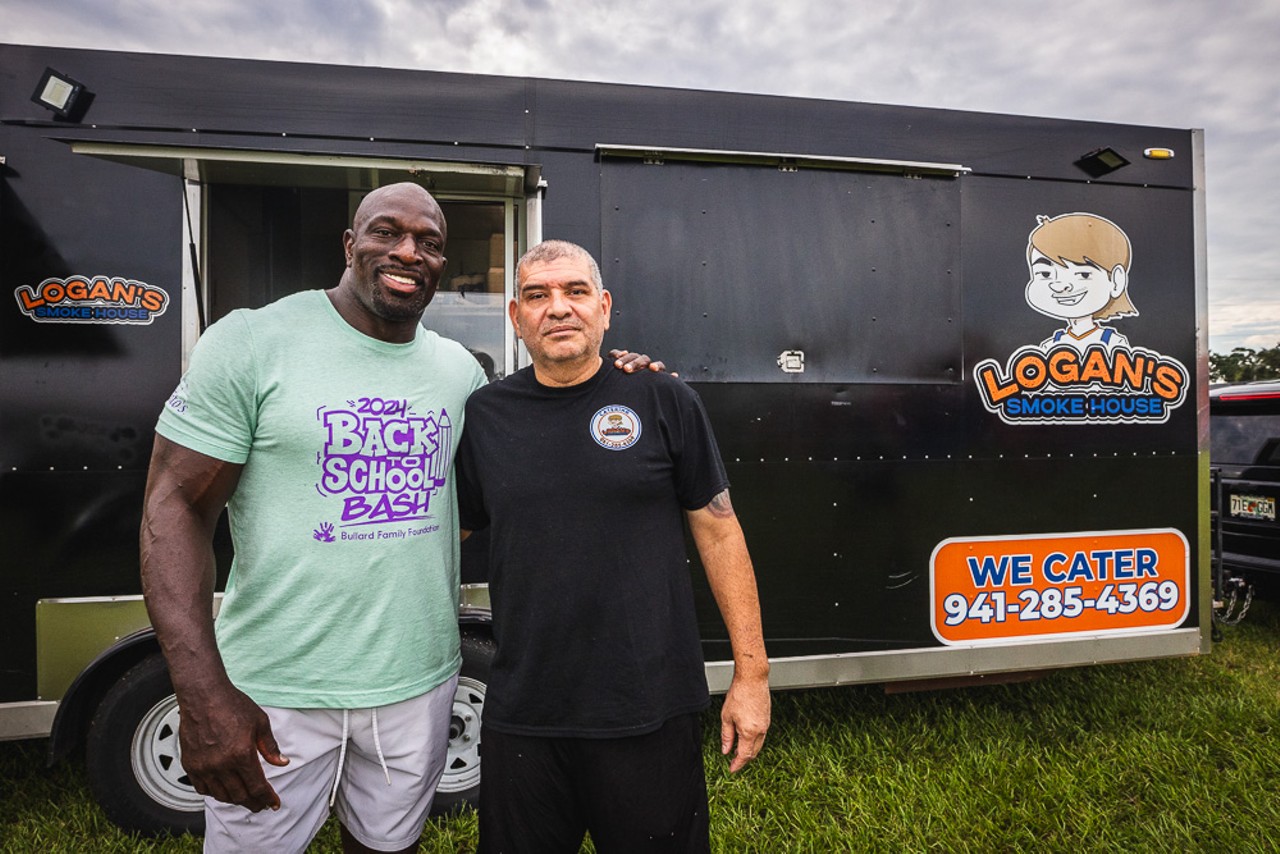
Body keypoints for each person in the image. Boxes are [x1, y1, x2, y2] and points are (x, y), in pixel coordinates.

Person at [140, 185, 655, 853]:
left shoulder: (459, 374)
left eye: (431, 242)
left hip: (419, 681)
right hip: (276, 688)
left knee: (389, 848)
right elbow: (173, 506)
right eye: (387, 232)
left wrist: (620, 379)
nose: (409, 251)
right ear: (351, 245)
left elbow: (535, 457)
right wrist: (202, 696)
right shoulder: (252, 341)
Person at [456, 240, 771, 853]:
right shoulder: (486, 415)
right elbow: (449, 534)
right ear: (518, 319)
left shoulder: (662, 399)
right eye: (538, 296)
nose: (559, 308)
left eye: (575, 292)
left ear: (603, 308)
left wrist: (751, 676)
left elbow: (719, 529)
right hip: (524, 709)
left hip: (647, 705)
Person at [1024, 212, 1138, 353]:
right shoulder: (1051, 345)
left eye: (1083, 274)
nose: (1060, 286)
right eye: (1045, 273)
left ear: (1116, 281)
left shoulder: (1113, 342)